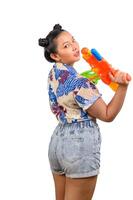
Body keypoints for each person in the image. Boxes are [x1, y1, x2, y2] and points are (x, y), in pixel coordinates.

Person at [38, 24, 131, 200]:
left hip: (58, 142)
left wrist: (91, 78)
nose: (74, 46)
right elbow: (107, 114)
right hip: (79, 146)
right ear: (55, 55)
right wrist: (122, 87)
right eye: (66, 45)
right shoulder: (80, 83)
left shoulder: (54, 73)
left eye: (73, 40)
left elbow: (70, 96)